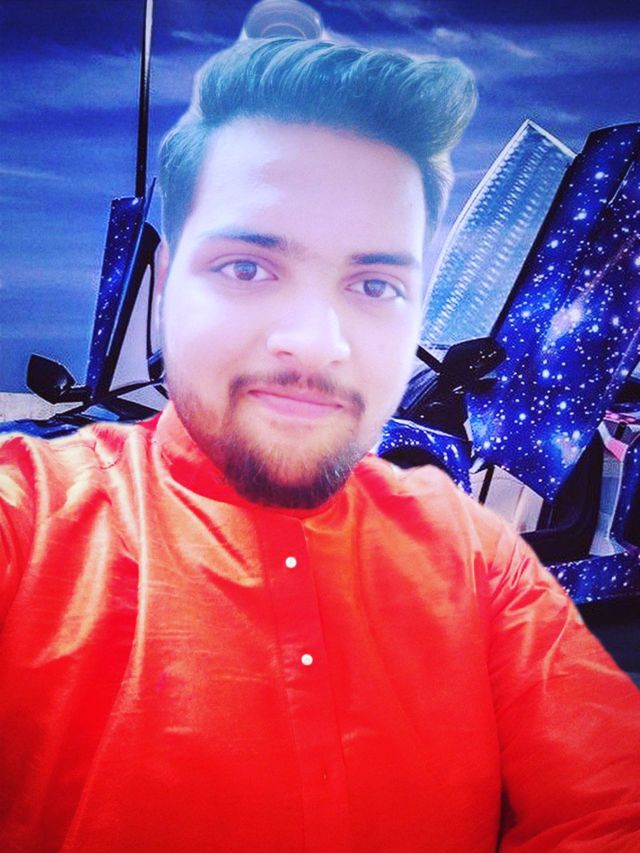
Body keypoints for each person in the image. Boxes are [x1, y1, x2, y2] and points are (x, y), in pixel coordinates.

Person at [0, 36, 639, 853]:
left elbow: (614, 808)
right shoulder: (34, 521)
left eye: (373, 284)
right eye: (248, 267)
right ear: (165, 295)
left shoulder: (477, 558)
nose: (317, 339)